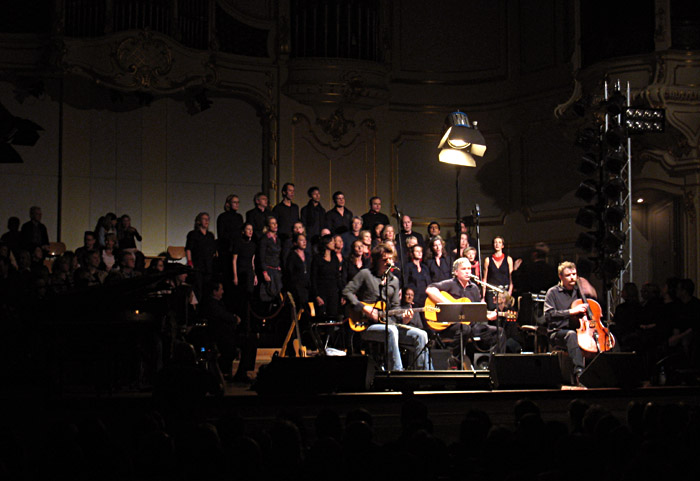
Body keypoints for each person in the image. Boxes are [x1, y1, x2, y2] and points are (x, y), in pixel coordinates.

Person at [343, 243, 429, 371]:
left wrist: (404, 319)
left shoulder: (394, 280)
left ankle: (424, 375)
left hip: (389, 323)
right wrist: (363, 308)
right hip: (366, 324)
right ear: (377, 260)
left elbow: (395, 308)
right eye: (384, 260)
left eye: (390, 259)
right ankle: (397, 371)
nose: (388, 262)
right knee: (391, 331)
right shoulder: (366, 274)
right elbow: (347, 291)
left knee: (421, 335)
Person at [425, 258, 502, 356]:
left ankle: (494, 363)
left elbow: (476, 311)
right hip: (449, 326)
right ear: (456, 272)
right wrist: (450, 305)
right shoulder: (450, 284)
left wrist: (486, 316)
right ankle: (453, 357)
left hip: (470, 325)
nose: (467, 271)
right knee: (464, 329)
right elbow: (430, 290)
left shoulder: (474, 288)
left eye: (469, 269)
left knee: (499, 332)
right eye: (464, 269)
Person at [543, 261, 597, 382]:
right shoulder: (553, 292)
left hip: (579, 331)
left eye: (574, 274)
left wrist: (589, 289)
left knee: (602, 336)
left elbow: (594, 305)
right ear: (560, 276)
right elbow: (548, 315)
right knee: (571, 335)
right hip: (558, 332)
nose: (572, 277)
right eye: (568, 275)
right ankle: (580, 373)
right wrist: (571, 312)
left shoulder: (579, 291)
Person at [185, 212, 217, 299]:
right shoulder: (193, 234)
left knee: (208, 290)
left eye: (208, 219)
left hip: (208, 267)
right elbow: (188, 249)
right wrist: (190, 262)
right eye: (204, 219)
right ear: (199, 221)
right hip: (198, 266)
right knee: (198, 289)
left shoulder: (210, 236)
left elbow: (213, 252)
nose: (207, 221)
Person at [311, 235, 342, 318]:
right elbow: (313, 278)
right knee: (321, 317)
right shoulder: (317, 259)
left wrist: (342, 293)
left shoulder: (334, 258)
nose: (334, 243)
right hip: (321, 293)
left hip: (333, 292)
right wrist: (316, 295)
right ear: (326, 243)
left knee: (333, 316)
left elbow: (337, 276)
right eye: (331, 241)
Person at [482, 236, 514, 309]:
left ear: (502, 245)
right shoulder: (488, 260)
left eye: (499, 242)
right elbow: (485, 279)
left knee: (505, 312)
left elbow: (511, 277)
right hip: (491, 291)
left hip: (504, 291)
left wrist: (510, 291)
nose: (497, 244)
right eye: (495, 242)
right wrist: (483, 296)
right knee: (492, 311)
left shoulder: (508, 259)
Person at [257, 216, 282, 302]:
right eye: (272, 223)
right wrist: (265, 273)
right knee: (268, 294)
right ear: (268, 226)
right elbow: (261, 257)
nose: (275, 225)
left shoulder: (277, 239)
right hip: (268, 270)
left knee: (278, 295)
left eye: (276, 223)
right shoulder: (264, 239)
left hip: (276, 271)